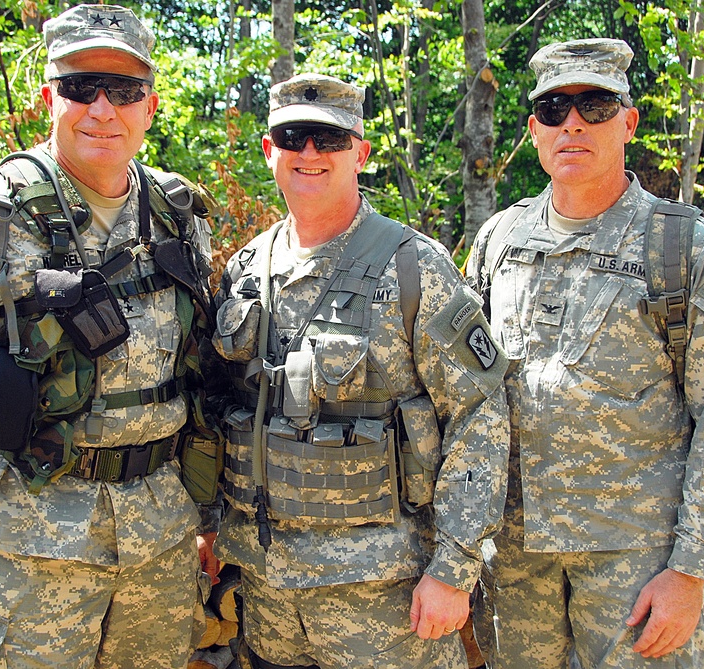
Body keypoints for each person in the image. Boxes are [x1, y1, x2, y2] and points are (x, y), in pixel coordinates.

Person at [0, 5, 222, 667]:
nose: (102, 109)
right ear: (48, 98)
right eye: (80, 87)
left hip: (158, 538)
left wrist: (199, 506)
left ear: (149, 106)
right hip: (30, 541)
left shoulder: (178, 215)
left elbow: (202, 365)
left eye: (123, 91)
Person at [465, 38, 704, 668]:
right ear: (535, 130)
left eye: (595, 105)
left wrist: (689, 572)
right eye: (553, 109)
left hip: (637, 556)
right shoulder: (500, 240)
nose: (572, 123)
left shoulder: (684, 251)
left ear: (628, 122)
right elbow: (465, 396)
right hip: (517, 555)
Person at [211, 72, 509, 669]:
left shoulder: (412, 267)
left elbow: (481, 418)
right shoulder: (246, 269)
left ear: (361, 153)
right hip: (270, 593)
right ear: (269, 150)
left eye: (332, 139)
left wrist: (453, 569)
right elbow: (219, 413)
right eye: (294, 136)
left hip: (383, 597)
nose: (311, 153)